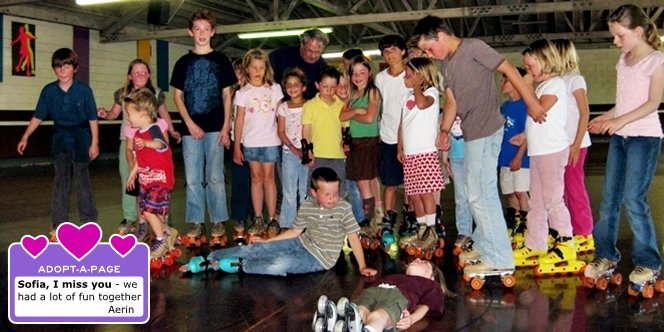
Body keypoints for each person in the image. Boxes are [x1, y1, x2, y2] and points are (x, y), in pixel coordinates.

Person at [410, 16, 546, 275]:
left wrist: (532, 103)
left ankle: (500, 258)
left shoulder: (473, 47)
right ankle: (486, 245)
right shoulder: (447, 66)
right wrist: (444, 130)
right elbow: (451, 102)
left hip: (487, 130)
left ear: (440, 35)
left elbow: (510, 70)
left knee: (481, 195)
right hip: (471, 134)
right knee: (475, 195)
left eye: (429, 48)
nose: (430, 54)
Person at [585, 4, 664, 286]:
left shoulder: (656, 61)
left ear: (638, 31)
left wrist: (619, 122)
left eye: (620, 36)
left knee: (634, 199)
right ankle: (605, 254)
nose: (616, 41)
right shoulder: (623, 61)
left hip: (644, 138)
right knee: (609, 200)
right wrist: (603, 118)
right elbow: (624, 104)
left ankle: (648, 262)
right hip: (621, 139)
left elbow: (652, 103)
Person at [183, 167, 378, 277]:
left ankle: (241, 265)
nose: (332, 198)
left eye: (335, 194)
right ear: (313, 192)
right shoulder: (308, 206)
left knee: (279, 265)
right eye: (327, 194)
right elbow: (295, 231)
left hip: (318, 259)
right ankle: (210, 258)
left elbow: (353, 237)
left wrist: (362, 266)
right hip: (301, 243)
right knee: (255, 249)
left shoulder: (343, 208)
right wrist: (267, 241)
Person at [170, 9, 237, 243]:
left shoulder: (221, 61)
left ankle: (218, 221)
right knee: (193, 178)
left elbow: (227, 94)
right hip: (191, 129)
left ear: (213, 32)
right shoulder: (183, 62)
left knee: (216, 176)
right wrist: (189, 123)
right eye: (197, 29)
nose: (201, 33)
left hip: (216, 127)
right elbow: (177, 96)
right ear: (190, 32)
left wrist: (226, 126)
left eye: (206, 29)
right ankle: (196, 222)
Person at [17, 48, 98, 239]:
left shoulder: (84, 91)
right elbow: (38, 116)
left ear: (75, 68)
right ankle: (58, 225)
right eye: (58, 66)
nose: (62, 70)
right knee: (61, 180)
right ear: (54, 69)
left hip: (81, 137)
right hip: (60, 138)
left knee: (82, 180)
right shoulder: (48, 91)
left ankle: (88, 222)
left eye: (67, 66)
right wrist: (25, 136)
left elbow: (93, 118)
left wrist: (94, 143)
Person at [98, 58, 181, 238]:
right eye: (136, 72)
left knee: (155, 180)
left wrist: (172, 130)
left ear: (149, 75)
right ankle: (131, 217)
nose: (140, 75)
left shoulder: (155, 94)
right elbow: (114, 113)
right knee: (130, 180)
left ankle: (161, 217)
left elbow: (164, 114)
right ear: (129, 76)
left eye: (144, 72)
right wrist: (106, 115)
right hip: (128, 141)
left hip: (150, 141)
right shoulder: (123, 94)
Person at [514, 39, 576, 268]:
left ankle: (566, 242)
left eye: (530, 66)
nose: (528, 71)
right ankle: (536, 242)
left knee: (552, 199)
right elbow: (536, 120)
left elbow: (538, 110)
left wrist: (524, 85)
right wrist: (525, 136)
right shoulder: (542, 86)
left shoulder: (556, 84)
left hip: (552, 151)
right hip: (538, 151)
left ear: (546, 61)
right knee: (536, 202)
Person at [396, 57, 445, 250]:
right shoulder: (405, 97)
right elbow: (402, 124)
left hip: (425, 152)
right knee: (414, 194)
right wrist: (400, 147)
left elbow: (423, 104)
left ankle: (431, 229)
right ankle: (421, 227)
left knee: (426, 193)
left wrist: (417, 87)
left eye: (409, 75)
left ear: (421, 76)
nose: (406, 79)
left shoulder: (431, 93)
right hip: (410, 154)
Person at [233, 49, 283, 237]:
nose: (257, 71)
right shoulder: (242, 92)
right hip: (251, 142)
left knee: (269, 178)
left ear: (266, 69)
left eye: (261, 67)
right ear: (247, 69)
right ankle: (258, 218)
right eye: (254, 67)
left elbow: (280, 115)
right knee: (255, 178)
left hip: (270, 140)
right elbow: (239, 119)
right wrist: (237, 146)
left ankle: (271, 218)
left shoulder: (275, 88)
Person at [123, 88, 178, 259]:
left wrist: (147, 143)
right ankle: (169, 233)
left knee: (148, 212)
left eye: (130, 113)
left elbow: (161, 145)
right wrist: (133, 173)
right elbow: (141, 158)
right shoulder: (138, 133)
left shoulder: (153, 129)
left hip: (160, 180)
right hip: (147, 179)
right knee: (149, 211)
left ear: (143, 113)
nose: (127, 117)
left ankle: (161, 240)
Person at [552, 38, 595, 253]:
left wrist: (576, 144)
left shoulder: (575, 80)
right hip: (560, 144)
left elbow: (584, 112)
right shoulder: (557, 82)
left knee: (574, 186)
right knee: (561, 190)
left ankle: (584, 231)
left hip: (574, 143)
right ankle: (566, 229)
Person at [326, 259, 448, 332]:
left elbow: (426, 306)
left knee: (379, 315)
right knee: (361, 309)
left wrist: (412, 319)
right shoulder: (396, 277)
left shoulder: (430, 285)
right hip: (374, 291)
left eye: (424, 262)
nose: (417, 259)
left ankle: (371, 329)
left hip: (398, 297)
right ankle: (350, 323)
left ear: (432, 278)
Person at [340, 55, 382, 226]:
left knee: (364, 182)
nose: (357, 77)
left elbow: (370, 118)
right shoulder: (353, 94)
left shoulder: (372, 91)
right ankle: (371, 218)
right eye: (354, 73)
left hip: (367, 142)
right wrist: (358, 110)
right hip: (354, 143)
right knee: (361, 182)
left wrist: (355, 113)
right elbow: (342, 115)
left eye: (361, 72)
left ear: (369, 72)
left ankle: (371, 220)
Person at [375, 35, 409, 226]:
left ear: (403, 51)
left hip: (411, 137)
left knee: (412, 185)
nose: (390, 55)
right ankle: (388, 222)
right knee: (390, 183)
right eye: (386, 52)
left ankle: (412, 220)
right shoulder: (380, 78)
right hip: (388, 137)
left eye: (394, 50)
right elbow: (378, 107)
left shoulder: (413, 75)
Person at [498, 67, 531, 246]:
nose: (502, 83)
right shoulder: (505, 106)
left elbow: (529, 133)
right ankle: (515, 222)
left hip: (521, 158)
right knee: (510, 192)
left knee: (521, 191)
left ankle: (528, 225)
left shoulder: (525, 105)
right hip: (504, 157)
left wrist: (519, 156)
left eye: (506, 80)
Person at [302, 65, 347, 197]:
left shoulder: (342, 105)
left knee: (337, 191)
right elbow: (306, 131)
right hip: (317, 155)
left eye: (333, 87)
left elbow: (345, 128)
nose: (329, 90)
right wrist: (308, 152)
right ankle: (316, 217)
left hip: (338, 155)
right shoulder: (309, 105)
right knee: (316, 192)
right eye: (325, 86)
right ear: (317, 85)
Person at [277, 67, 309, 229]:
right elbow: (281, 131)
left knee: (304, 191)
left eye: (296, 84)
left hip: (307, 153)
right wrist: (293, 148)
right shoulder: (283, 107)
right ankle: (287, 224)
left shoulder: (310, 106)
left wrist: (306, 151)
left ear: (303, 87)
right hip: (289, 153)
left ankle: (304, 224)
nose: (292, 88)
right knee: (289, 190)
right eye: (289, 85)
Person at [335, 68, 365, 223]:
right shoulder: (332, 106)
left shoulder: (356, 103)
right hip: (336, 154)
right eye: (339, 85)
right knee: (340, 190)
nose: (343, 89)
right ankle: (338, 223)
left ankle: (362, 221)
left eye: (346, 85)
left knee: (357, 188)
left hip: (356, 152)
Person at [270, 28, 329, 100]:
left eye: (317, 52)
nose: (313, 56)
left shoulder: (324, 70)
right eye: (309, 51)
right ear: (302, 44)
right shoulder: (278, 56)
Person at [229, 57, 253, 228]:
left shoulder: (252, 92)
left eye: (240, 71)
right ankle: (239, 216)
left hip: (255, 140)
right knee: (238, 180)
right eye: (234, 71)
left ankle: (255, 214)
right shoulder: (228, 93)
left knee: (255, 180)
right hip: (236, 141)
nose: (238, 75)